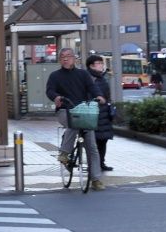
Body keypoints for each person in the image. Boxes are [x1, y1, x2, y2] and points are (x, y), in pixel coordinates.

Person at [45, 47, 105, 189]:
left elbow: (92, 88)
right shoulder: (55, 76)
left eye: (69, 56)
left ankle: (96, 179)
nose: (66, 58)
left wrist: (99, 96)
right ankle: (65, 153)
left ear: (74, 58)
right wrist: (56, 97)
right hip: (64, 111)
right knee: (73, 123)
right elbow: (50, 90)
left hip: (83, 111)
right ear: (60, 60)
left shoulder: (83, 74)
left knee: (92, 147)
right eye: (63, 57)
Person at [85, 54, 116, 171]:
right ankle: (93, 164)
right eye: (99, 63)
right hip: (93, 113)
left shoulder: (102, 77)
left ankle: (101, 163)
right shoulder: (88, 77)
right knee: (94, 142)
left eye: (101, 63)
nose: (102, 65)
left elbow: (107, 95)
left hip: (104, 113)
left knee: (103, 140)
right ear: (91, 66)